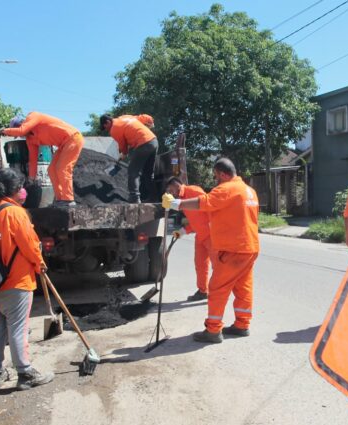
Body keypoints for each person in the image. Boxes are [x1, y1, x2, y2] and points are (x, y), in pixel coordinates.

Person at [0, 168, 54, 391]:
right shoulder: (16, 213)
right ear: (16, 190)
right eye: (21, 188)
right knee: (17, 328)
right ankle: (25, 373)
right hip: (16, 282)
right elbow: (29, 245)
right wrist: (40, 264)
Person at [162, 158, 259, 343]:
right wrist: (185, 229)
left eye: (216, 176)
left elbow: (204, 203)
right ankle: (242, 324)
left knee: (217, 288)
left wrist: (176, 204)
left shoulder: (226, 189)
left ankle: (213, 331)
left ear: (223, 174)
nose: (216, 181)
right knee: (243, 287)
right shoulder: (250, 191)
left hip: (233, 248)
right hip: (249, 247)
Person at [0, 112, 83, 207]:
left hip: (73, 138)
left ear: (21, 124)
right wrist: (31, 179)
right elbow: (33, 160)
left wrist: (4, 131)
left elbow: (21, 131)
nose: (21, 136)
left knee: (62, 168)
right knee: (51, 170)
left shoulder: (34, 116)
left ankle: (68, 199)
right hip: (63, 145)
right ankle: (60, 199)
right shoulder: (30, 139)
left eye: (18, 131)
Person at [166, 177, 214, 301]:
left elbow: (210, 207)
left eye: (171, 190)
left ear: (177, 186)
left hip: (212, 235)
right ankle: (203, 291)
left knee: (218, 266)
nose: (171, 193)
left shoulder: (194, 191)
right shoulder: (181, 200)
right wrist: (181, 231)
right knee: (200, 264)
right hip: (200, 236)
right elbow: (195, 220)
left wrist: (213, 228)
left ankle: (217, 293)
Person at [100, 113, 158, 203]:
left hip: (143, 144)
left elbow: (123, 146)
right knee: (148, 173)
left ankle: (134, 197)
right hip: (153, 141)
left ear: (107, 122)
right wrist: (151, 122)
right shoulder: (126, 117)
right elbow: (145, 117)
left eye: (105, 127)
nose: (106, 130)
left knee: (132, 171)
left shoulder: (114, 129)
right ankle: (154, 197)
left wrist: (123, 154)